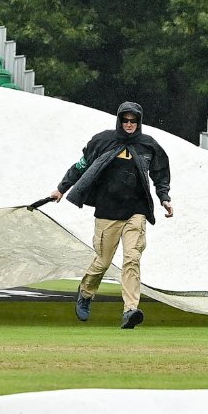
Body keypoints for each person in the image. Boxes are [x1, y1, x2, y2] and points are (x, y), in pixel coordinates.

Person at [49, 102, 173, 330]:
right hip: (107, 212)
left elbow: (160, 173)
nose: (128, 124)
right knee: (103, 261)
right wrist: (61, 188)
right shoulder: (102, 141)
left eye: (133, 121)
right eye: (125, 120)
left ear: (139, 122)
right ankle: (86, 293)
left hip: (136, 212)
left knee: (132, 260)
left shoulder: (149, 145)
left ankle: (130, 311)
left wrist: (164, 197)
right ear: (119, 121)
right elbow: (80, 166)